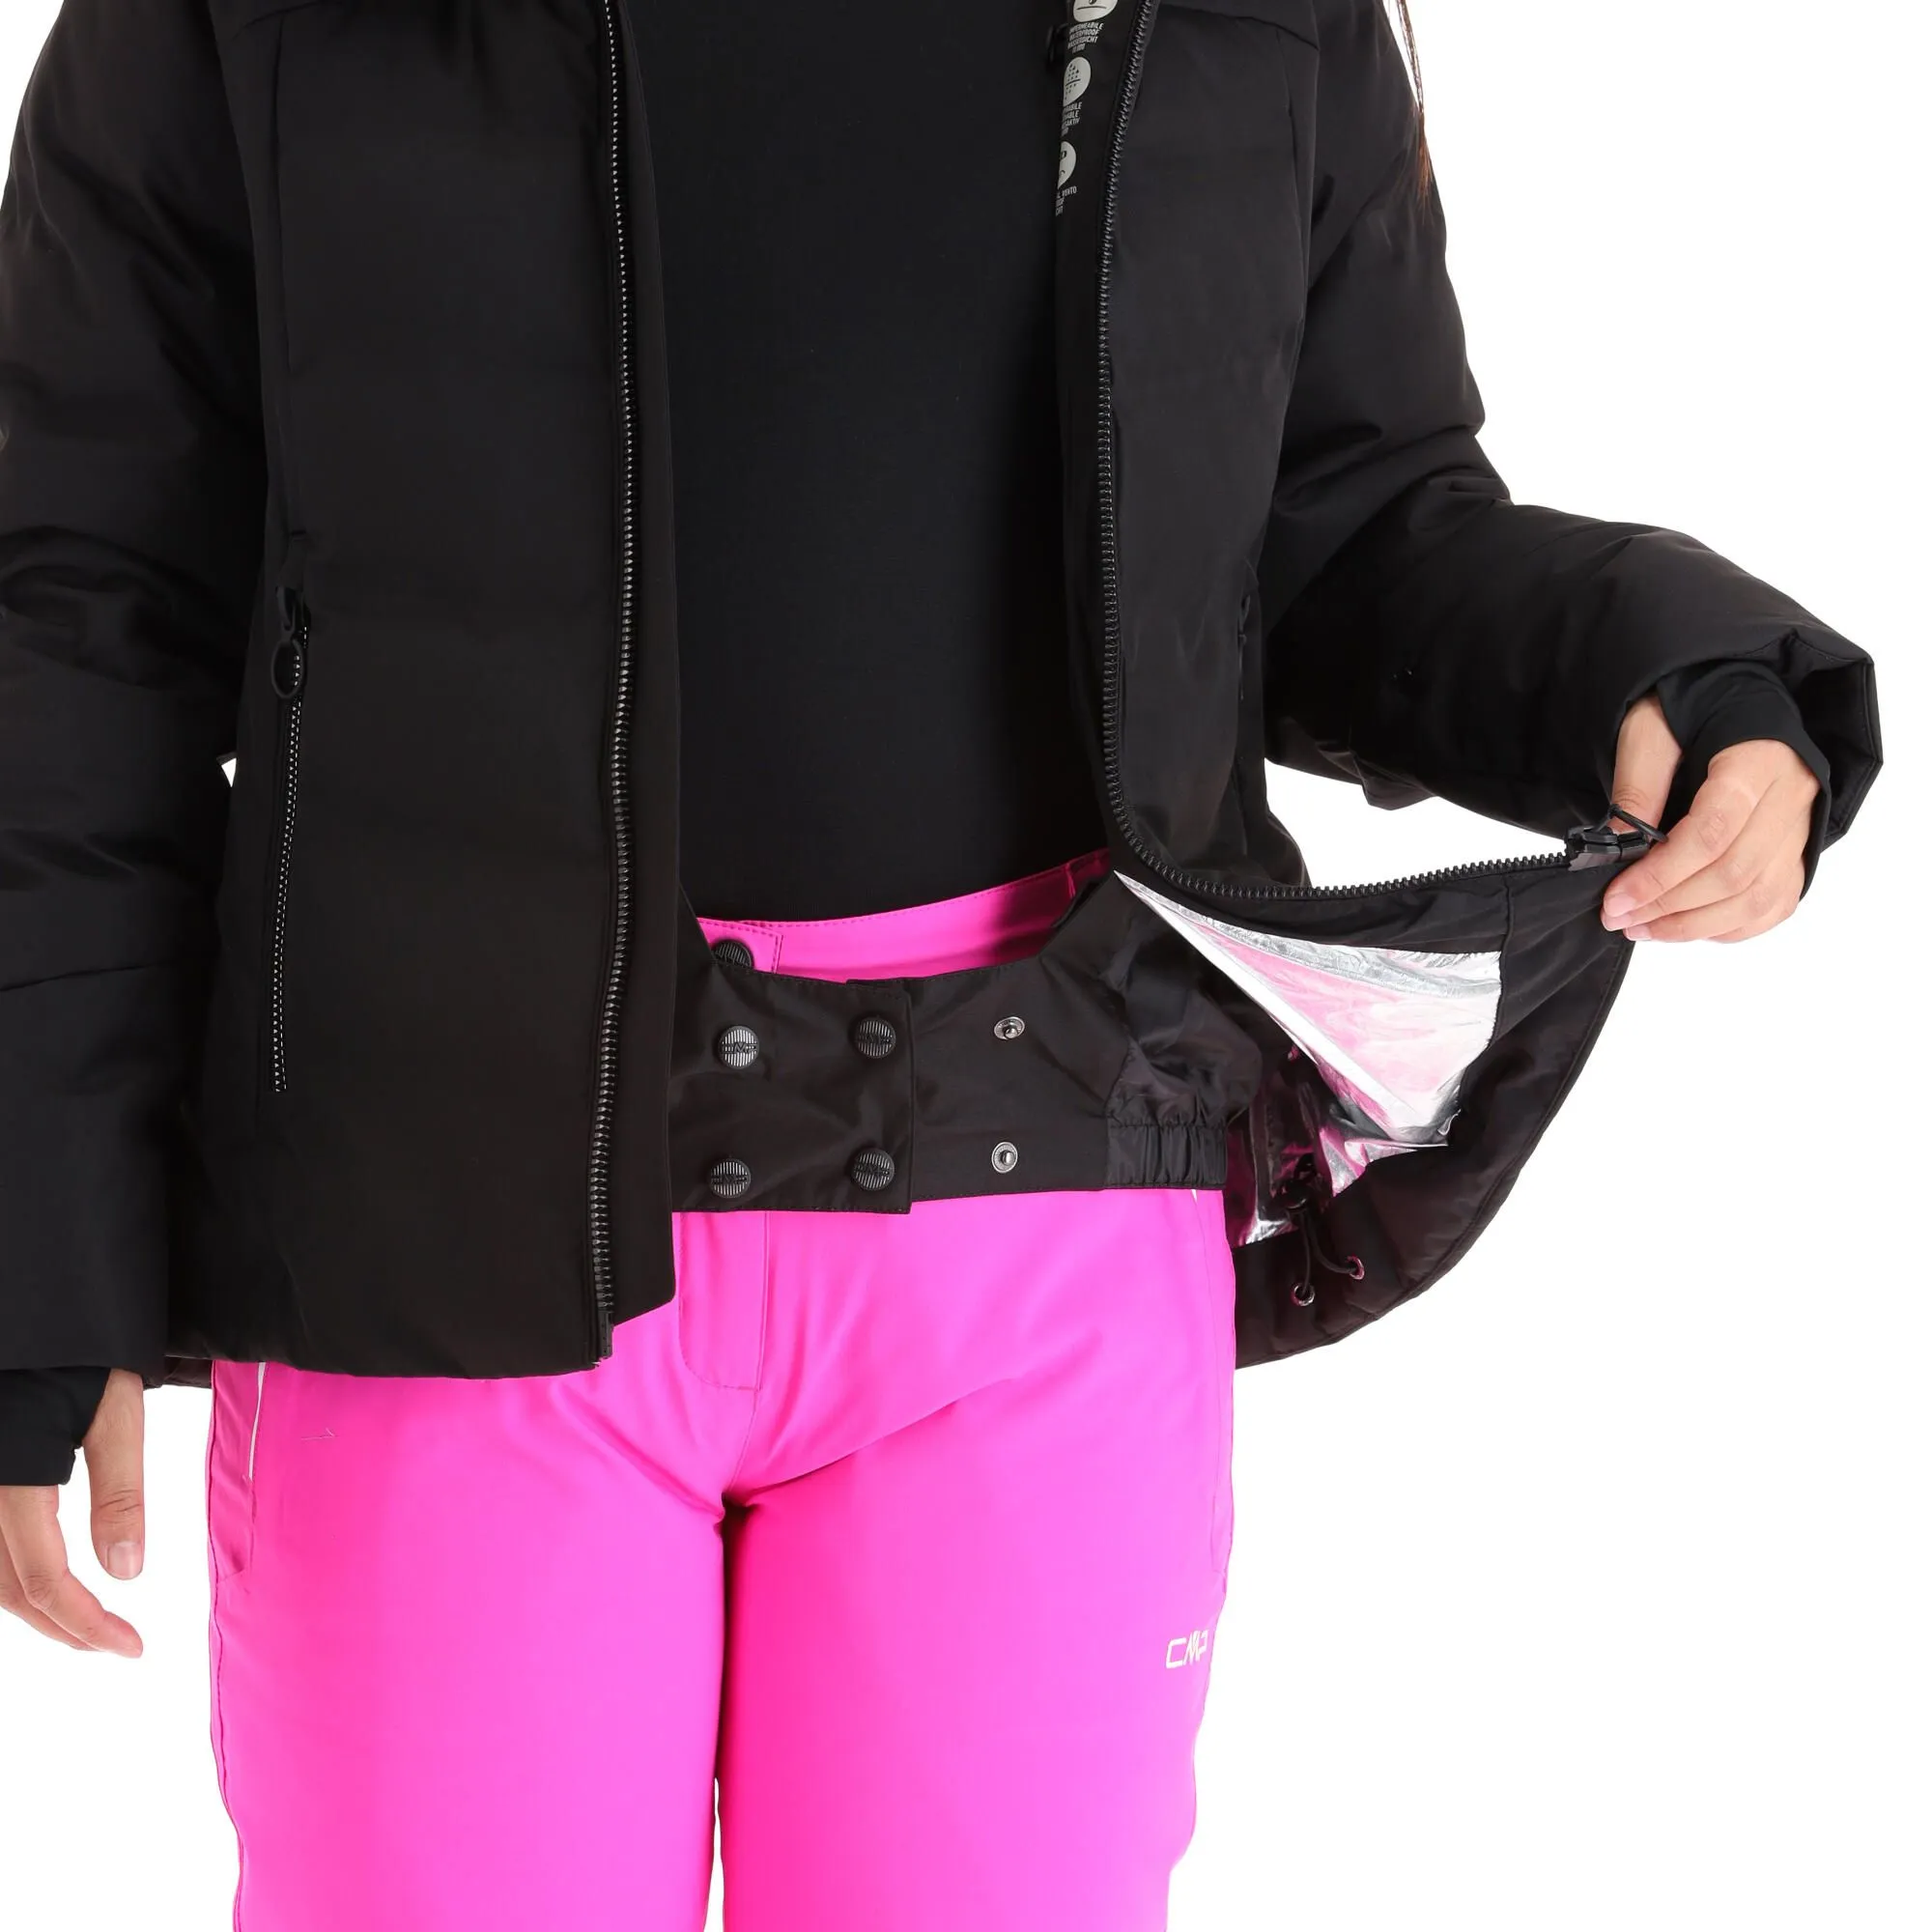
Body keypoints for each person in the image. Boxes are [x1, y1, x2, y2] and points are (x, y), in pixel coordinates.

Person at [0, 1, 1882, 1927]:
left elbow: (1335, 531)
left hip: (1039, 1223)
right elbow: (77, 608)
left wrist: (1665, 671)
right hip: (438, 1224)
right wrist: (37, 1254)